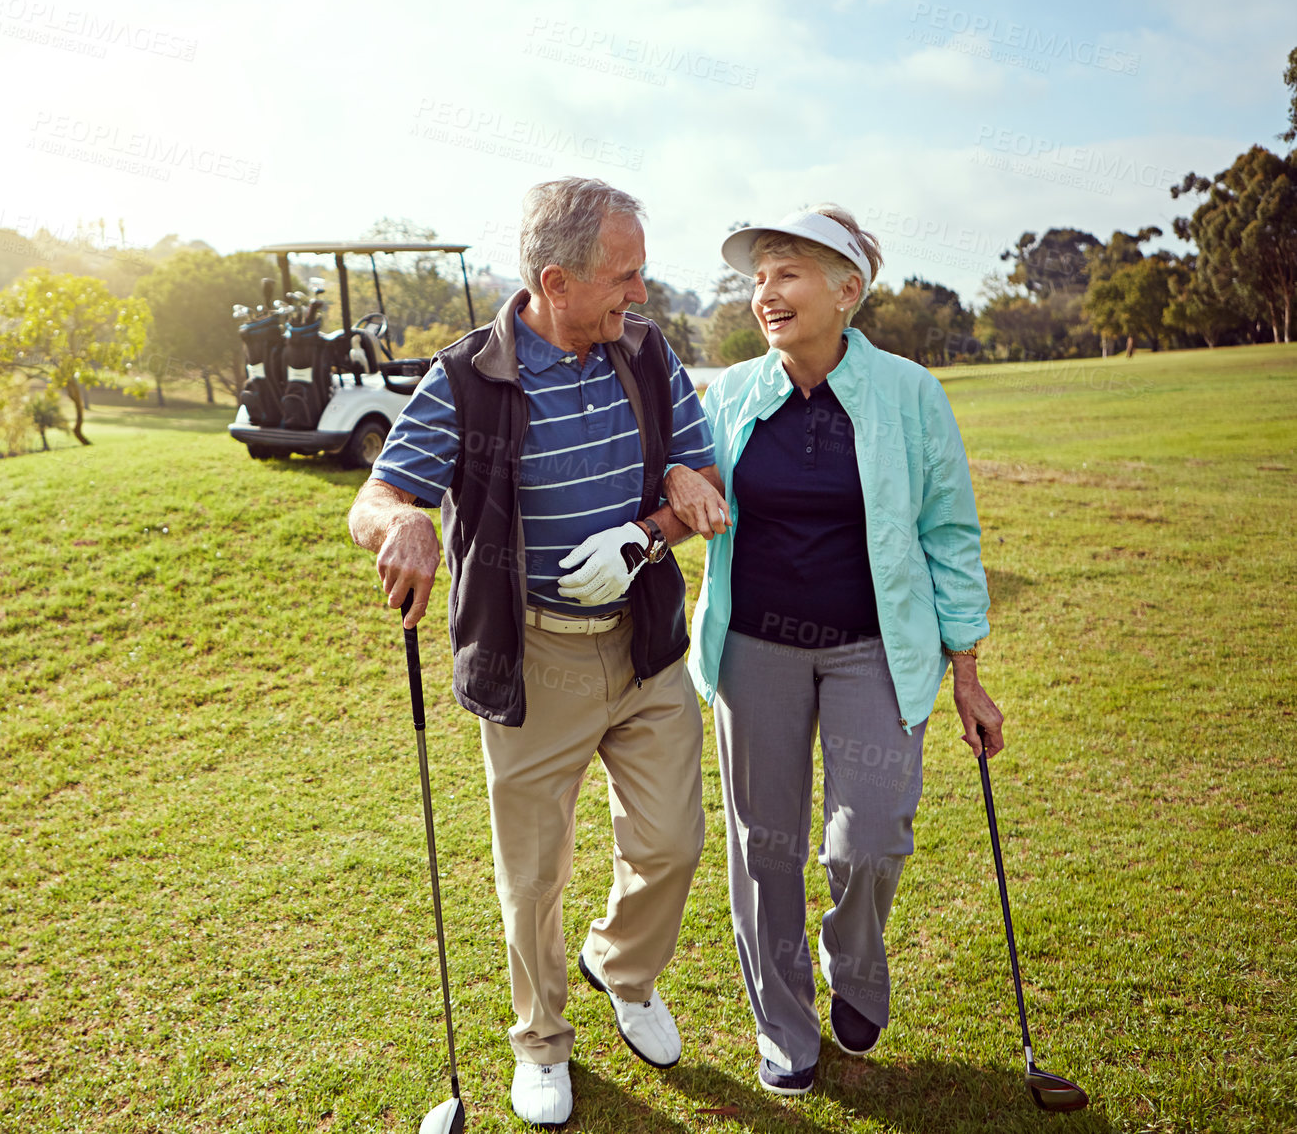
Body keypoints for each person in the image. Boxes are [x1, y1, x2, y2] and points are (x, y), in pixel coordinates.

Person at [347, 177, 727, 1127]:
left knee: (675, 841)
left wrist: (647, 529)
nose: (638, 292)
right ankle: (542, 1041)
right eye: (623, 276)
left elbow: (704, 479)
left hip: (641, 648)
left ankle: (622, 968)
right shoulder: (467, 377)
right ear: (557, 280)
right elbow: (379, 497)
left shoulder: (647, 355)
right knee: (533, 875)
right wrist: (402, 527)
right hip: (533, 660)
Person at [663, 205, 1003, 1097]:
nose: (765, 291)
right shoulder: (731, 392)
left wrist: (967, 670)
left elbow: (949, 532)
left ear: (847, 291)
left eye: (788, 272)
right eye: (759, 275)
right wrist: (678, 487)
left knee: (872, 837)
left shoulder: (910, 393)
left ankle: (852, 964)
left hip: (874, 650)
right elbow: (684, 479)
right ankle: (785, 1026)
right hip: (755, 651)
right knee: (763, 846)